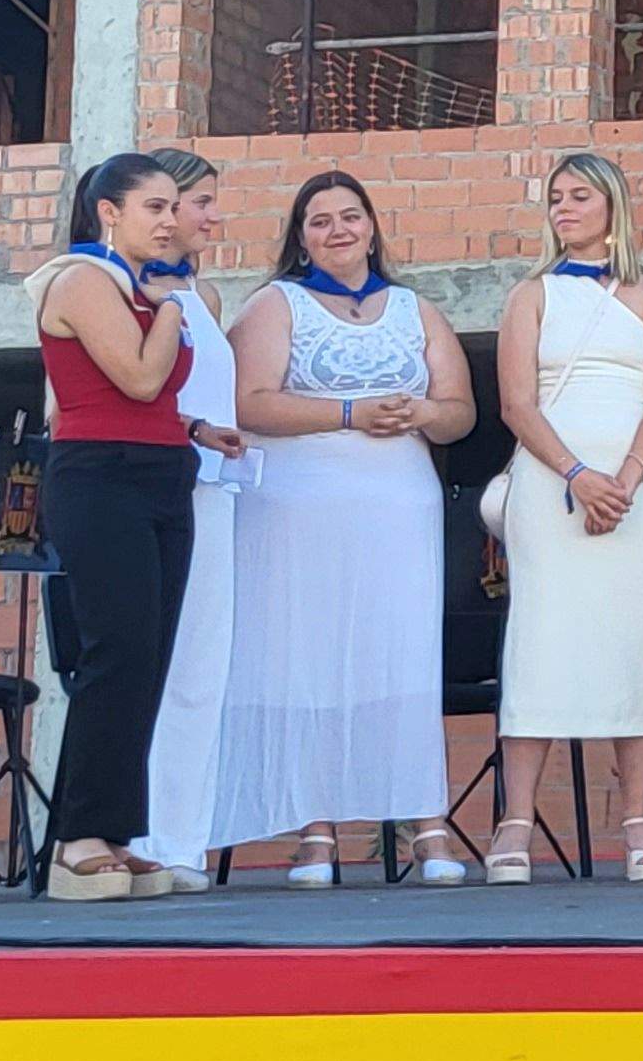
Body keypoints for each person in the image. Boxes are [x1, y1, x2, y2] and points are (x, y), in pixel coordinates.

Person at [153, 169, 472, 887]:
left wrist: (422, 414)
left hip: (398, 506)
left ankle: (426, 820)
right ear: (301, 236)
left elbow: (460, 408)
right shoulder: (278, 303)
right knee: (309, 659)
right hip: (300, 507)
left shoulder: (415, 307)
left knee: (401, 658)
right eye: (321, 220)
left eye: (350, 217)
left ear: (372, 227)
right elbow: (249, 401)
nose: (338, 231)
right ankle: (316, 829)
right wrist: (350, 413)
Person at [26, 155, 240, 901]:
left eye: (172, 207)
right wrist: (177, 303)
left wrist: (199, 428)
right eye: (154, 207)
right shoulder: (82, 280)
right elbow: (137, 379)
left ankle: (118, 833)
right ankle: (75, 837)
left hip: (161, 471)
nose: (169, 220)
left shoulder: (140, 289)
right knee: (114, 650)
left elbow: (149, 401)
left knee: (147, 656)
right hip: (99, 477)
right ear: (108, 213)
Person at [487, 153, 643, 884]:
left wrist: (625, 482)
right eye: (555, 198)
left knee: (635, 636)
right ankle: (515, 820)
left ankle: (637, 818)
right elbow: (517, 403)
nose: (564, 208)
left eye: (579, 196)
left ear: (613, 206)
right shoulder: (529, 295)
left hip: (639, 485)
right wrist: (577, 474)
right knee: (540, 638)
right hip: (551, 482)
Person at [125, 148, 244, 892]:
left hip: (216, 489)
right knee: (155, 666)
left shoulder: (209, 298)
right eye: (197, 201)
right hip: (162, 488)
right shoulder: (126, 288)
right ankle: (139, 834)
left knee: (201, 670)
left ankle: (181, 840)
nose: (207, 216)